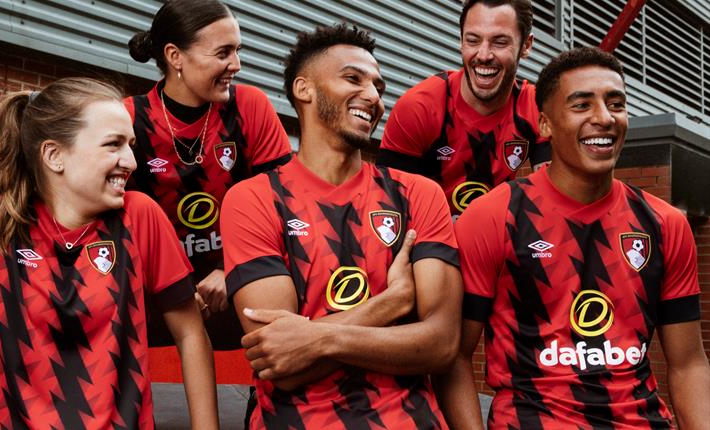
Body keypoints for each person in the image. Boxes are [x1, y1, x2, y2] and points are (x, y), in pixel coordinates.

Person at [448, 47, 710, 429]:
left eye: (616, 104)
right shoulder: (491, 216)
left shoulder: (665, 224)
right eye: (581, 105)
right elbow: (454, 357)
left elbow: (688, 363)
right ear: (545, 125)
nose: (604, 118)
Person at [220, 24, 462, 428]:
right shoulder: (254, 199)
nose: (373, 96)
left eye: (378, 86)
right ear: (304, 89)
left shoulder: (418, 194)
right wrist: (393, 304)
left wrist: (317, 338)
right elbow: (281, 361)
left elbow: (440, 345)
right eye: (353, 78)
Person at [0, 78, 218, 429]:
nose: (130, 161)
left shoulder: (139, 216)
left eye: (131, 145)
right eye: (113, 145)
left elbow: (190, 334)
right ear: (54, 155)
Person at [126, 0, 292, 349]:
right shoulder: (129, 117)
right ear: (175, 56)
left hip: (240, 283)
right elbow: (113, 220)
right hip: (158, 293)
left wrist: (232, 267)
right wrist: (174, 287)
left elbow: (285, 205)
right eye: (223, 53)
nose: (237, 64)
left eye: (238, 51)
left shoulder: (250, 107)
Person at [377, 0, 550, 219]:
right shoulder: (419, 107)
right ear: (461, 42)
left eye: (499, 42)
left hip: (496, 237)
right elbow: (388, 210)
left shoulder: (538, 107)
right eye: (473, 40)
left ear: (526, 45)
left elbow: (554, 202)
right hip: (427, 238)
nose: (484, 55)